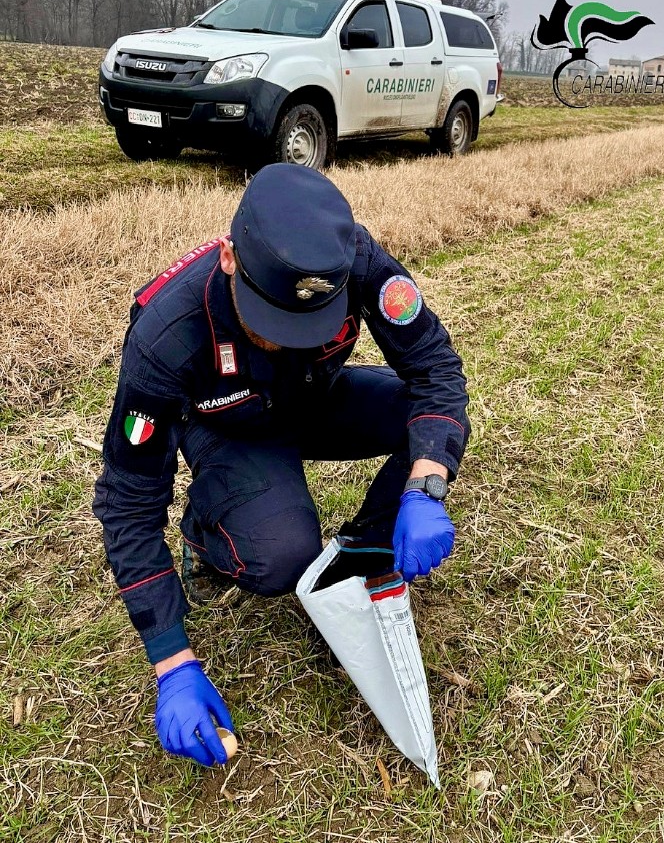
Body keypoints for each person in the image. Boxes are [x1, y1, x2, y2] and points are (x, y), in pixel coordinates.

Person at [93, 163, 470, 769]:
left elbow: (435, 369)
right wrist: (172, 660)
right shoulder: (167, 335)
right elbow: (129, 500)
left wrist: (426, 483)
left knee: (423, 424)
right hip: (231, 428)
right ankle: (206, 534)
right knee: (280, 558)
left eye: (308, 326)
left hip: (313, 401)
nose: (289, 339)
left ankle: (365, 551)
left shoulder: (357, 260)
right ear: (228, 260)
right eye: (272, 324)